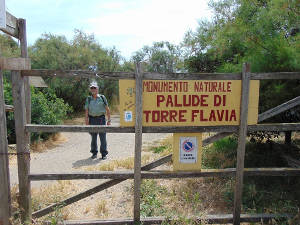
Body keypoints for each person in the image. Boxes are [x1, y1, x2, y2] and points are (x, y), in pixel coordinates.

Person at [85, 81, 111, 159]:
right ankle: (94, 153)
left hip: (101, 119)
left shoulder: (102, 97)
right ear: (90, 89)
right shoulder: (88, 99)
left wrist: (109, 120)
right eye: (91, 88)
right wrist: (86, 120)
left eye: (94, 88)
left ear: (97, 89)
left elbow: (107, 109)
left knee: (102, 137)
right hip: (92, 119)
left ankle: (104, 154)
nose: (93, 89)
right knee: (93, 137)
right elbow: (86, 110)